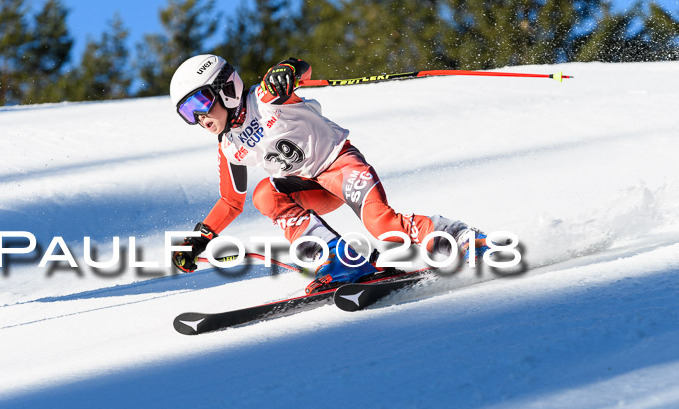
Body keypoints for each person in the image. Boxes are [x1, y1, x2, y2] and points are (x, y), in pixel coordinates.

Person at [170, 54, 489, 293]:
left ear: (225, 88)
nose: (199, 117)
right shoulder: (228, 145)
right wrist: (201, 237)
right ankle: (340, 259)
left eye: (200, 102)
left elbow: (300, 68)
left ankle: (464, 239)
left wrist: (289, 69)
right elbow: (230, 201)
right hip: (311, 187)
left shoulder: (266, 97)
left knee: (384, 226)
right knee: (265, 194)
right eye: (187, 113)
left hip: (340, 166)